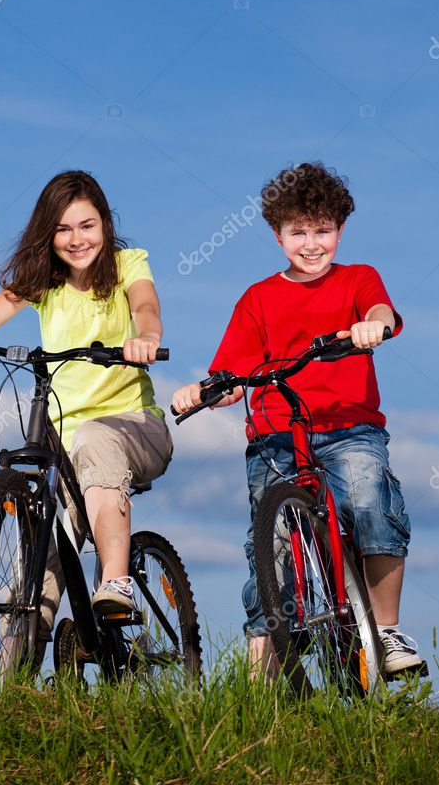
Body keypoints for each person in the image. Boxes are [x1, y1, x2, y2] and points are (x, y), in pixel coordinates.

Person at [172, 161, 425, 679]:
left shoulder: (357, 278)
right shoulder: (258, 299)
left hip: (348, 427)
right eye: (299, 232)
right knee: (270, 546)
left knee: (369, 495)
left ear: (341, 230)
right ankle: (261, 673)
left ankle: (388, 628)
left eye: (323, 231)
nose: (312, 244)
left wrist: (372, 326)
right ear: (277, 235)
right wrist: (205, 390)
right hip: (275, 436)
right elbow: (233, 375)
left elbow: (380, 310)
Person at [0, 170, 173, 637]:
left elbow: (145, 306)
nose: (77, 240)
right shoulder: (45, 282)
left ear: (105, 224)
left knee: (96, 438)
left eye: (87, 225)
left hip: (135, 426)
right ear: (48, 233)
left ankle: (116, 581)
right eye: (63, 229)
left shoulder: (127, 264)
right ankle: (13, 679)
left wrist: (147, 338)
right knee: (43, 549)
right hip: (65, 441)